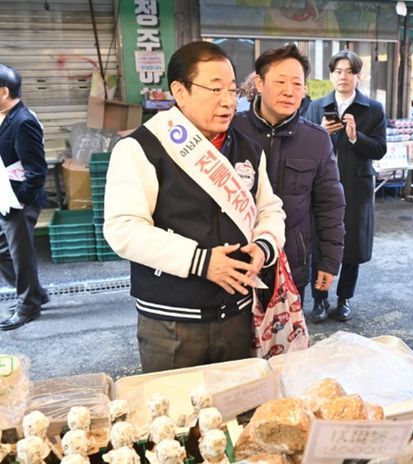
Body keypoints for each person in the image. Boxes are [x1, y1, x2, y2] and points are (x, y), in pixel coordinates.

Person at [103, 41, 286, 373]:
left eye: (232, 90)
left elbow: (269, 210)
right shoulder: (140, 148)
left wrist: (264, 246)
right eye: (215, 89)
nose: (228, 101)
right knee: (174, 407)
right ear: (179, 91)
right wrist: (201, 262)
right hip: (171, 323)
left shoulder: (249, 149)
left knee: (236, 401)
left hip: (237, 315)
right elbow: (123, 229)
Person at [231, 44, 345, 310]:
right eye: (280, 82)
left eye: (297, 83)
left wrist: (329, 261)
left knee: (285, 334)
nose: (289, 91)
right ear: (259, 83)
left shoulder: (316, 139)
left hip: (291, 261)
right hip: (237, 259)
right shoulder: (232, 129)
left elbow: (330, 205)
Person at [304, 50, 386, 322]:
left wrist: (355, 136)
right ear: (331, 75)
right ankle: (319, 299)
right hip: (321, 187)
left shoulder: (373, 109)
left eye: (350, 71)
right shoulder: (316, 106)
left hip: (356, 187)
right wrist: (319, 132)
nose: (343, 76)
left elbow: (380, 149)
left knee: (351, 245)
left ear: (358, 76)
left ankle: (344, 299)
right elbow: (302, 145)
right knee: (320, 243)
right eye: (338, 71)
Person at [0, 64, 49, 331]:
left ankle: (28, 305)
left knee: (21, 255)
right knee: (4, 251)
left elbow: (36, 169)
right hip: (4, 197)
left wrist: (22, 199)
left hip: (18, 200)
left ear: (4, 92)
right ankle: (36, 292)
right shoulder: (6, 116)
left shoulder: (23, 121)